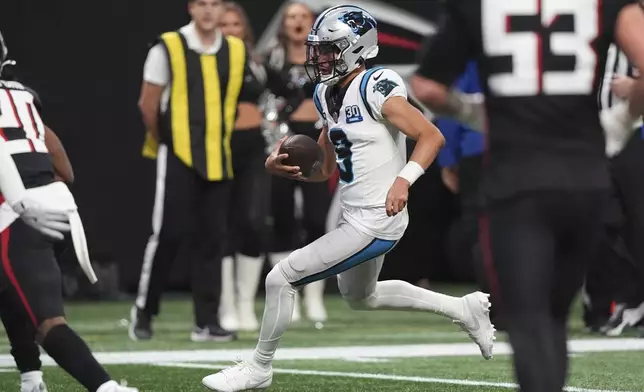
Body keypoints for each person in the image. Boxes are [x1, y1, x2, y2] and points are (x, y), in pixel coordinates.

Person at [202, 6, 495, 391]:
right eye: (318, 49)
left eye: (329, 49)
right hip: (355, 215)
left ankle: (259, 366)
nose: (319, 57)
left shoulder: (376, 85)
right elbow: (324, 169)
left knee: (281, 277)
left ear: (358, 48)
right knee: (362, 297)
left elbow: (432, 136)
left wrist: (403, 181)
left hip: (377, 218)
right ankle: (463, 308)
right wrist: (284, 168)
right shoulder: (326, 93)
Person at [410, 1, 644, 391]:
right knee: (554, 316)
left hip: (517, 179)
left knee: (529, 320)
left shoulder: (478, 7)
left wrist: (474, 113)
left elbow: (427, 87)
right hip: (584, 177)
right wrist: (623, 119)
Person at [0, 31, 138, 392]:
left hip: (19, 212)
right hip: (55, 205)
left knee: (46, 319)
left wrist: (20, 200)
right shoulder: (20, 93)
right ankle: (31, 378)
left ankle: (106, 388)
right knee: (11, 291)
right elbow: (56, 152)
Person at [131, 0, 249, 342]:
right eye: (201, 3)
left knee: (213, 238)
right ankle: (145, 310)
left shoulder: (236, 50)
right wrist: (165, 139)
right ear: (190, 8)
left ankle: (207, 321)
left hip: (219, 154)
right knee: (168, 234)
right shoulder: (167, 46)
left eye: (214, 3)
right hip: (179, 152)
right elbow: (148, 103)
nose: (208, 10)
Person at [263, 1, 329, 323]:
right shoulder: (269, 60)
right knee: (282, 218)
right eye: (291, 17)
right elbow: (264, 103)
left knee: (317, 219)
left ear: (312, 21)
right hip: (283, 142)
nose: (298, 21)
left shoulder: (326, 58)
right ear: (283, 24)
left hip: (318, 142)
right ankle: (283, 294)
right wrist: (274, 139)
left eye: (303, 16)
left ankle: (314, 296)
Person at [217, 1, 270, 332]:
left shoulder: (257, 62)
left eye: (235, 25)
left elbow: (287, 89)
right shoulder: (205, 60)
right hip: (217, 146)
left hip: (253, 147)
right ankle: (225, 307)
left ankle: (245, 302)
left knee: (252, 220)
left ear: (244, 29)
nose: (230, 30)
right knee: (220, 224)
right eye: (224, 25)